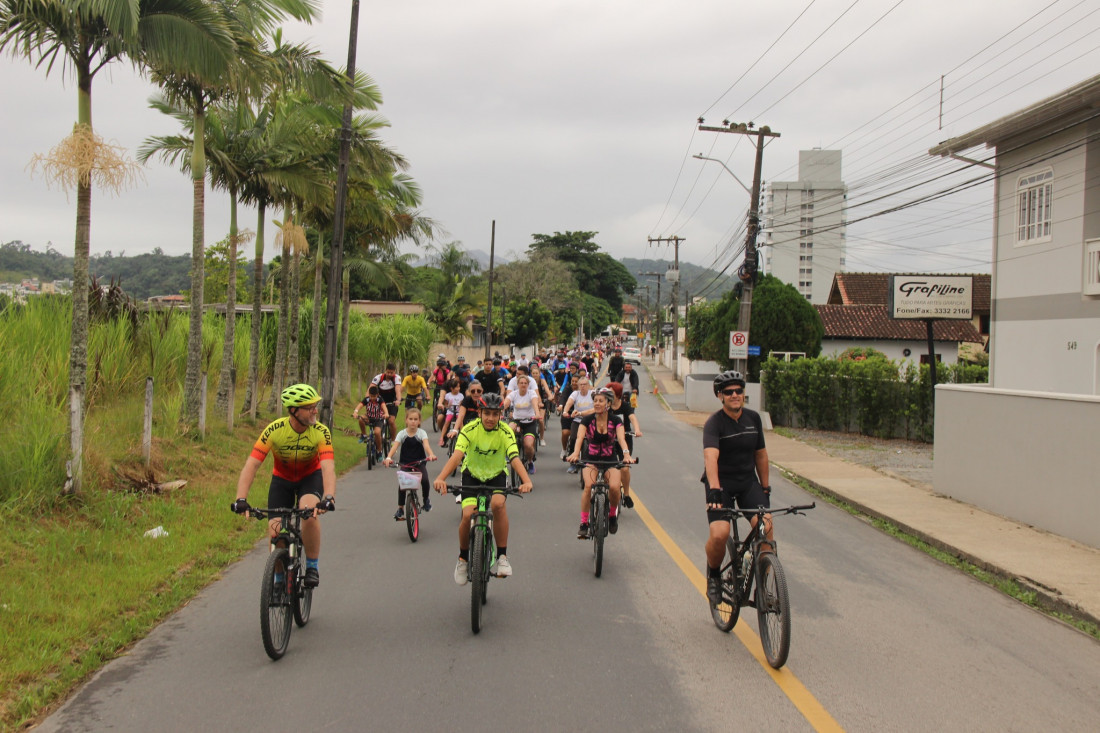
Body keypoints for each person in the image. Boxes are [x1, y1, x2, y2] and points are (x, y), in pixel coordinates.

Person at [232, 384, 335, 588]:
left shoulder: (321, 431)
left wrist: (329, 497)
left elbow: (327, 467)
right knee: (275, 532)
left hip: (310, 477)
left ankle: (312, 566)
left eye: (315, 406)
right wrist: (241, 499)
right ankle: (278, 579)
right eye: (310, 407)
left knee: (309, 511)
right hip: (282, 480)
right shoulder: (274, 430)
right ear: (294, 411)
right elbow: (252, 464)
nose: (315, 410)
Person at [433, 393, 533, 584]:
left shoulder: (505, 431)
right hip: (472, 474)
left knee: (497, 505)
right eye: (486, 413)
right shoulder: (469, 429)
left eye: (495, 414)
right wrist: (440, 478)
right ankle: (463, 559)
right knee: (467, 515)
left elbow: (514, 458)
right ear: (479, 413)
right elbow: (457, 456)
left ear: (500, 415)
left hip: (496, 475)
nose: (490, 418)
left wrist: (526, 480)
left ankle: (502, 556)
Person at [702, 370, 772, 606]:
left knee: (767, 528)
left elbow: (761, 455)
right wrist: (713, 490)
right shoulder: (714, 423)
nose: (735, 395)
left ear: (743, 394)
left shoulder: (753, 419)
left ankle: (763, 585)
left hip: (747, 482)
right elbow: (710, 457)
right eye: (729, 392)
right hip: (721, 484)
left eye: (739, 391)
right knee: (720, 534)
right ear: (720, 396)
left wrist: (765, 488)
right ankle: (713, 575)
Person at [568, 387, 634, 538]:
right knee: (588, 486)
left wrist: (626, 455)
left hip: (610, 459)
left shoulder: (616, 420)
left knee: (615, 488)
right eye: (595, 401)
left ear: (608, 403)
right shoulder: (587, 420)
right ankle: (584, 523)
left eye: (601, 401)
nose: (597, 403)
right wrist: (575, 453)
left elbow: (622, 440)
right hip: (590, 458)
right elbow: (579, 438)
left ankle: (611, 515)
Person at [384, 408, 438, 518]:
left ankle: (426, 500)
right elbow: (395, 447)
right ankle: (400, 508)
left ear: (419, 421)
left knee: (425, 479)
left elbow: (426, 446)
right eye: (411, 419)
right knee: (402, 485)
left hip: (419, 462)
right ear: (406, 420)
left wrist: (431, 455)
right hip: (405, 463)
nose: (413, 421)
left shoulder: (421, 433)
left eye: (415, 419)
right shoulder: (402, 434)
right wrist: (389, 457)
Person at [606, 381, 643, 509]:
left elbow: (632, 418)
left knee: (624, 468)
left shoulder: (625, 406)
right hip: (609, 440)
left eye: (610, 393)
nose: (608, 396)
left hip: (624, 440)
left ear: (617, 394)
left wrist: (637, 430)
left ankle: (626, 494)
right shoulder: (606, 406)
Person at [503, 373, 542, 473]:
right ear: (518, 384)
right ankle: (508, 451)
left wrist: (537, 413)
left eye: (525, 383)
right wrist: (499, 413)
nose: (523, 385)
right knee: (508, 430)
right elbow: (506, 403)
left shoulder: (531, 393)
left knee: (528, 445)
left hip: (529, 421)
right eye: (521, 383)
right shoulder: (514, 394)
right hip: (517, 420)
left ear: (528, 385)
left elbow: (534, 403)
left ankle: (530, 462)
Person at [562, 375, 596, 474]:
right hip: (578, 420)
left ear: (589, 385)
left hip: (591, 421)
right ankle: (573, 462)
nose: (583, 386)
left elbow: (595, 409)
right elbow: (569, 403)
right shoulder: (575, 394)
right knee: (573, 438)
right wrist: (565, 411)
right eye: (580, 385)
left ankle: (591, 461)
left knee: (594, 440)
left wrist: (582, 413)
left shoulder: (593, 394)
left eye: (585, 384)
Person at [353, 384, 390, 456]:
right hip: (369, 417)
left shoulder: (380, 399)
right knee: (361, 419)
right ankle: (364, 435)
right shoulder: (367, 399)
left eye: (374, 396)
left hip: (379, 419)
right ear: (369, 394)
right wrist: (355, 412)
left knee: (377, 433)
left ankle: (379, 451)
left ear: (377, 395)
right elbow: (360, 405)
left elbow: (384, 406)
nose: (372, 398)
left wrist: (386, 413)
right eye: (371, 396)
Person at [371, 363, 402, 440]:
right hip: (381, 402)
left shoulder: (396, 378)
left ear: (394, 372)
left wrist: (398, 400)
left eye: (391, 373)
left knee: (391, 421)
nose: (389, 374)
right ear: (385, 371)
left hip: (392, 402)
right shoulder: (378, 378)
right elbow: (370, 389)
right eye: (388, 372)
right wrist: (367, 400)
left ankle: (393, 440)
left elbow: (398, 391)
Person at [437, 378, 465, 444]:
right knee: (446, 423)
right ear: (452, 388)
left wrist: (460, 406)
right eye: (457, 387)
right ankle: (442, 437)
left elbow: (462, 405)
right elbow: (446, 404)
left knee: (460, 423)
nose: (458, 388)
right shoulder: (448, 395)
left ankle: (463, 437)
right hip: (450, 412)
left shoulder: (461, 396)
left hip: (458, 412)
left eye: (459, 387)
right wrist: (447, 405)